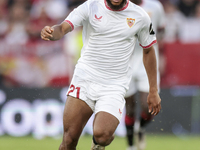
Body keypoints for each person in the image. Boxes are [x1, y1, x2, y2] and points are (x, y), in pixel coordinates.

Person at [40, 0, 161, 149]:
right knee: (69, 140)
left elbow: (149, 50)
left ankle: (99, 143)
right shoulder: (90, 6)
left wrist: (153, 90)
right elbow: (63, 27)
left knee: (102, 135)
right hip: (84, 79)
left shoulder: (140, 16)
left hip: (114, 86)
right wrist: (52, 33)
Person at [124, 0, 165, 150]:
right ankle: (130, 146)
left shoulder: (155, 7)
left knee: (149, 107)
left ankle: (140, 128)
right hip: (126, 62)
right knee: (129, 107)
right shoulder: (119, 6)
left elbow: (161, 31)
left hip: (147, 62)